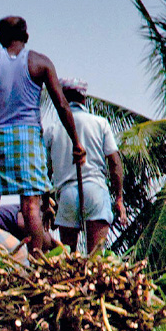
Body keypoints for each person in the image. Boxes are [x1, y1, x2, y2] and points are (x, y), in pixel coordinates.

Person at [0, 16, 84, 255]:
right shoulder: (39, 62)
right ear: (26, 37)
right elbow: (62, 106)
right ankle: (37, 259)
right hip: (28, 139)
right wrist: (76, 142)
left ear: (0, 38)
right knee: (31, 205)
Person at [45, 81, 125, 254]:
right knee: (96, 257)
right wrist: (119, 198)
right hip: (95, 190)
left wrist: (45, 204)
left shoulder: (53, 129)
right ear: (84, 98)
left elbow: (46, 171)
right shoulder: (100, 123)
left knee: (69, 258)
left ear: (63, 98)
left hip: (66, 193)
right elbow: (115, 163)